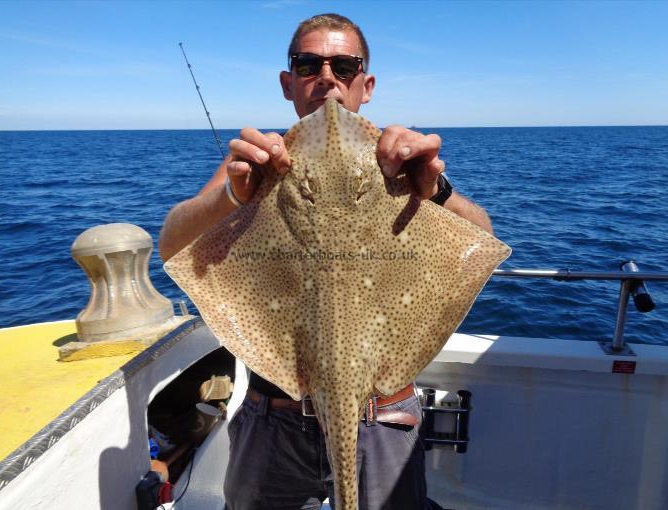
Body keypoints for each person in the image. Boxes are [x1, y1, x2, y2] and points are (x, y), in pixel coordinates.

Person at [159, 13, 492, 510]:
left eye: (344, 65)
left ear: (367, 82)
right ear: (288, 83)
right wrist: (233, 192)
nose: (327, 77)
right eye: (309, 64)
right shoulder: (263, 162)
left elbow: (480, 240)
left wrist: (433, 189)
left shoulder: (400, 160)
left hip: (384, 417)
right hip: (273, 416)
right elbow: (172, 246)